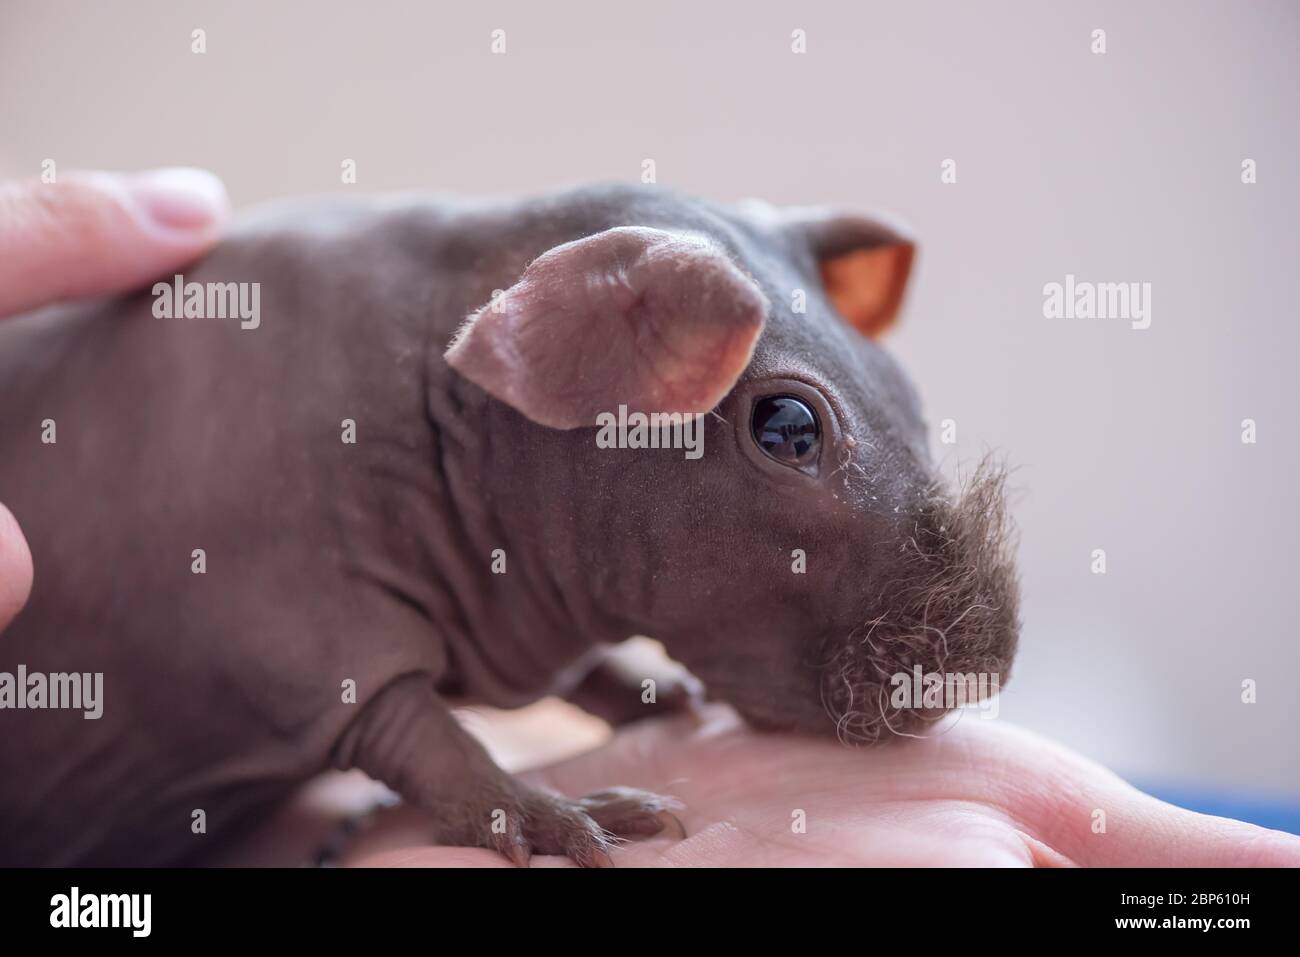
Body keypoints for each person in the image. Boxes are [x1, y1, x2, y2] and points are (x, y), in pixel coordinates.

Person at [2, 170, 1296, 868]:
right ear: (597, 335)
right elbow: (321, 656)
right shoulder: (321, 410)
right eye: (788, 429)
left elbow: (501, 601)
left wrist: (622, 697)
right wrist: (492, 803)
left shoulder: (502, 482)